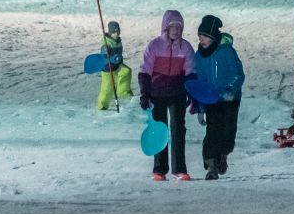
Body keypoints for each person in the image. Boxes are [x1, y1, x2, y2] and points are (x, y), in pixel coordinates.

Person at [138, 10, 196, 181]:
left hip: (177, 93)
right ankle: (159, 169)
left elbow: (191, 72)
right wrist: (145, 94)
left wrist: (192, 93)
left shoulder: (186, 47)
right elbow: (145, 71)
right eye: (173, 27)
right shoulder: (154, 46)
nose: (176, 31)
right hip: (157, 94)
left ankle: (179, 169)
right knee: (159, 130)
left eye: (179, 27)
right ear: (166, 27)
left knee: (178, 129)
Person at [192, 14, 245, 180]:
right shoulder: (199, 56)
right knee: (213, 131)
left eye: (205, 36)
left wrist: (230, 90)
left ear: (213, 37)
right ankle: (212, 165)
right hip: (212, 99)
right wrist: (201, 106)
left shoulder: (227, 51)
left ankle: (223, 154)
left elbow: (238, 74)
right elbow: (200, 82)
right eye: (200, 36)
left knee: (228, 132)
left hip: (230, 100)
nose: (201, 39)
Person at [96, 20, 134, 110]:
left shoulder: (118, 41)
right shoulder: (106, 43)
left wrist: (119, 60)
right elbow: (103, 55)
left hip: (117, 66)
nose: (116, 34)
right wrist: (105, 52)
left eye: (117, 31)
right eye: (113, 32)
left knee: (126, 71)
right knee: (107, 89)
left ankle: (123, 92)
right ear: (110, 32)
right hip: (108, 69)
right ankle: (102, 105)